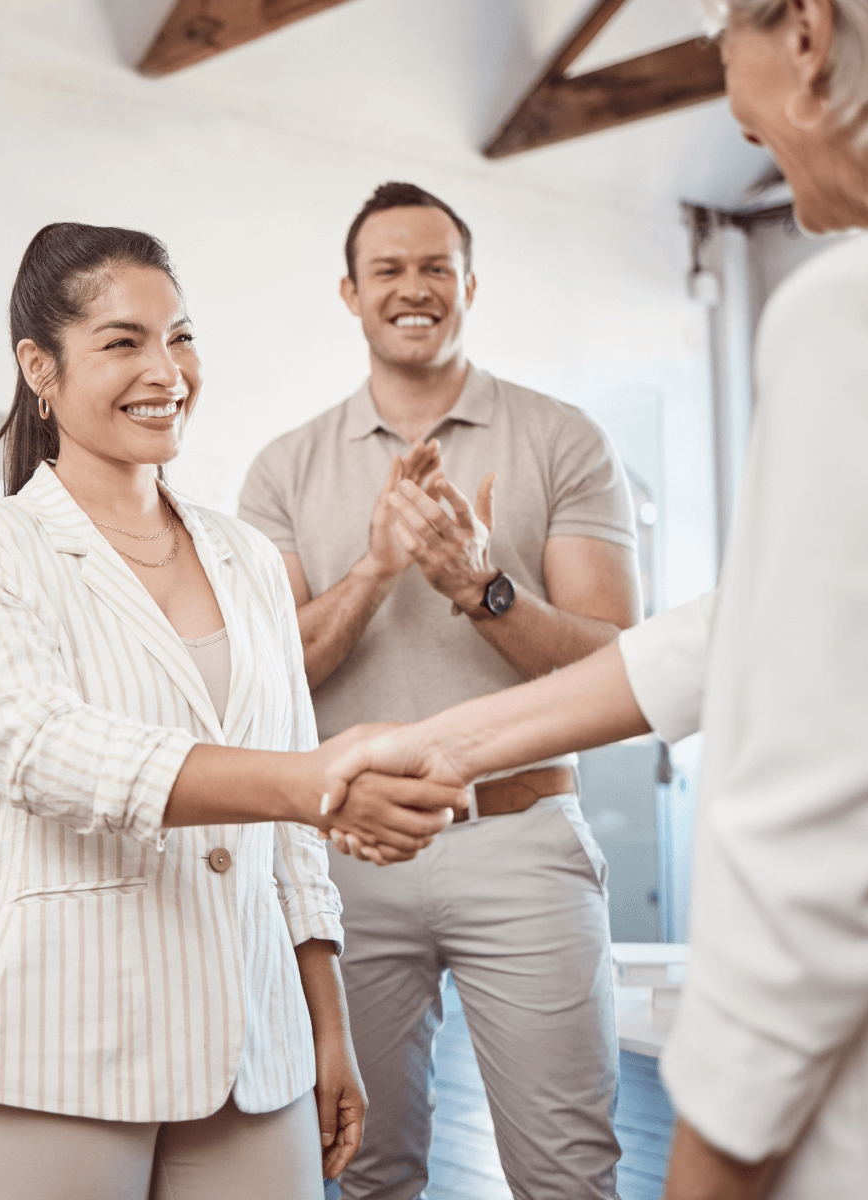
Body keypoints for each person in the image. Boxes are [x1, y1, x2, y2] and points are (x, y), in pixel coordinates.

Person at [325, 1, 868, 1196]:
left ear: (809, 35)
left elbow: (826, 811)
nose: (735, 101)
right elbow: (743, 628)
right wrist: (439, 745)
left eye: (725, 42)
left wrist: (715, 1155)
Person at [0, 222, 455, 1200]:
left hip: (255, 1048)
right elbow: (46, 750)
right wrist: (311, 784)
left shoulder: (242, 555)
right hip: (51, 1048)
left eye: (182, 337)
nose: (167, 370)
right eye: (123, 342)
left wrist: (326, 1024)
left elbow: (292, 839)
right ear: (41, 367)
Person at [237, 182, 642, 1199]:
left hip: (525, 843)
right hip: (349, 861)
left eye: (434, 267)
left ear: (469, 284)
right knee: (366, 1170)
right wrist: (376, 569)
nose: (413, 289)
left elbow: (621, 662)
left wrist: (481, 586)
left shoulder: (565, 439)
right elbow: (266, 675)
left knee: (569, 1174)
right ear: (350, 291)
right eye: (389, 269)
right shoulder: (284, 468)